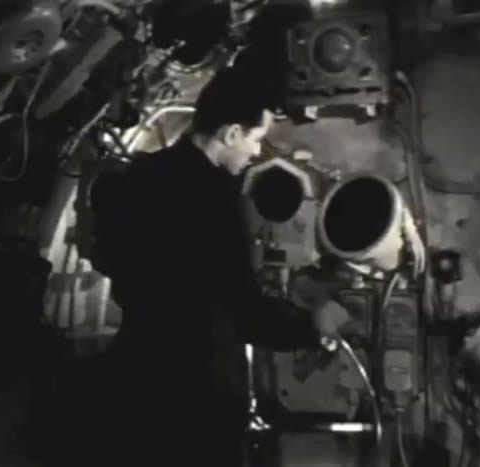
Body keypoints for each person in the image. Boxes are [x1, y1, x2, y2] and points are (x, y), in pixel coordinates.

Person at [57, 68, 347, 467]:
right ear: (231, 134)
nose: (255, 153)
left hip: (135, 381)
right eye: (256, 139)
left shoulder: (140, 176)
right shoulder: (212, 202)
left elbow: (107, 256)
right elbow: (244, 314)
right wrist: (312, 326)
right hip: (195, 400)